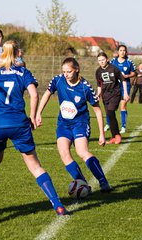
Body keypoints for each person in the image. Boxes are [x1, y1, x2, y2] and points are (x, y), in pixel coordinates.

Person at [0, 40, 69, 216]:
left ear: (2, 53)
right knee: (35, 166)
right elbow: (34, 94)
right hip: (17, 122)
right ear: (17, 53)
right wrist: (34, 115)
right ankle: (58, 205)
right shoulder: (22, 71)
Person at [36, 57, 112, 193]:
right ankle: (83, 184)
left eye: (69, 72)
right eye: (64, 71)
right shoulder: (58, 80)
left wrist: (101, 133)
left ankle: (103, 181)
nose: (66, 74)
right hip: (63, 124)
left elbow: (98, 110)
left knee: (81, 152)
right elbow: (47, 94)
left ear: (76, 70)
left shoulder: (85, 87)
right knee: (64, 154)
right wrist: (38, 113)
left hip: (80, 124)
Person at [95, 52, 129, 144]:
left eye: (103, 60)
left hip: (115, 94)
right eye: (99, 60)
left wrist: (125, 93)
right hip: (105, 96)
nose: (101, 62)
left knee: (110, 112)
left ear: (107, 59)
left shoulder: (113, 68)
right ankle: (114, 136)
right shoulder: (98, 71)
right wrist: (98, 94)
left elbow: (123, 80)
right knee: (110, 115)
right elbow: (99, 85)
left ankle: (117, 136)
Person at [108, 44, 136, 134]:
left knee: (123, 105)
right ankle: (108, 124)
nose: (122, 52)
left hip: (125, 86)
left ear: (126, 52)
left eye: (124, 50)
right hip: (115, 86)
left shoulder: (129, 62)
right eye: (121, 50)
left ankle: (123, 126)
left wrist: (127, 75)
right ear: (118, 52)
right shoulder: (113, 62)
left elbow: (134, 73)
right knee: (111, 105)